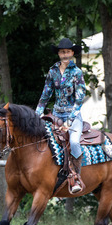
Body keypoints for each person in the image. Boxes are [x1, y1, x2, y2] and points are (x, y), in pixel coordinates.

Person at [35, 38, 87, 194]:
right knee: (41, 138)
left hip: (73, 115)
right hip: (56, 114)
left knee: (74, 142)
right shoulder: (53, 71)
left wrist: (69, 121)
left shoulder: (77, 73)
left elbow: (79, 99)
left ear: (72, 53)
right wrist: (37, 114)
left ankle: (75, 176)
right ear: (58, 53)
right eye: (62, 52)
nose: (65, 54)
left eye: (68, 52)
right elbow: (46, 94)